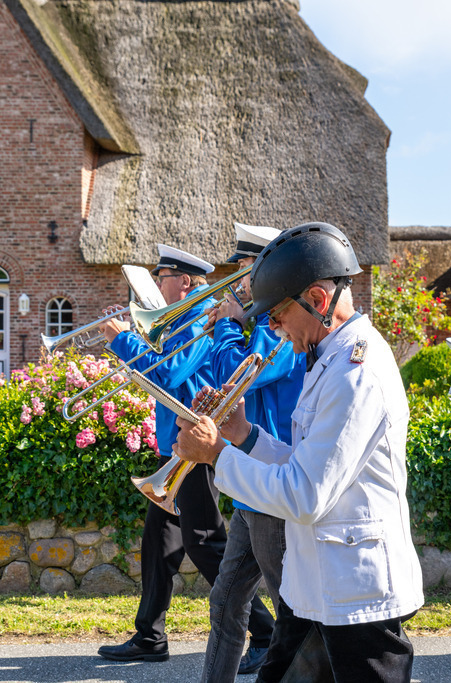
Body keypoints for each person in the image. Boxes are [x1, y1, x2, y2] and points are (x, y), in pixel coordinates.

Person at [175, 222, 425, 682]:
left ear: (318, 299)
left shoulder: (356, 371)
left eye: (277, 313)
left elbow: (306, 494)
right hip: (317, 586)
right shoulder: (329, 354)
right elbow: (301, 462)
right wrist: (244, 434)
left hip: (355, 597)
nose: (270, 326)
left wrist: (216, 456)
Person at [95, 244, 272, 664]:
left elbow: (169, 373)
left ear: (185, 282)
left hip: (196, 444)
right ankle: (150, 636)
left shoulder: (200, 320)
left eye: (164, 277)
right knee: (158, 541)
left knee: (204, 541)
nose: (157, 285)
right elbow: (161, 373)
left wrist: (122, 341)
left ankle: (267, 634)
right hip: (176, 445)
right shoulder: (178, 321)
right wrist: (131, 340)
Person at [200, 223, 307, 681]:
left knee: (295, 616)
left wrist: (228, 324)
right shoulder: (258, 327)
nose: (240, 282)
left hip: (274, 482)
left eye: (246, 270)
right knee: (225, 602)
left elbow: (235, 376)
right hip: (249, 482)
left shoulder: (281, 330)